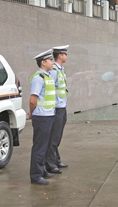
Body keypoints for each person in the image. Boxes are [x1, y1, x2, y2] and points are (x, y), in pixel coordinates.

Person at [28, 49, 56, 185]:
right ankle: (36, 175)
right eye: (50, 60)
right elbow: (33, 99)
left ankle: (43, 169)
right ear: (43, 62)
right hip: (41, 116)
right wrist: (31, 112)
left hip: (49, 115)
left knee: (45, 145)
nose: (52, 62)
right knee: (39, 146)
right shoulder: (38, 78)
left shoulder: (48, 76)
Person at [44, 46, 70, 174]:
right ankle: (50, 164)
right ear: (60, 55)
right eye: (66, 54)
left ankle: (56, 159)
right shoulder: (54, 70)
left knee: (57, 135)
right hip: (56, 108)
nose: (67, 56)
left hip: (62, 106)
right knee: (54, 137)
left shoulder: (60, 70)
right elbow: (51, 89)